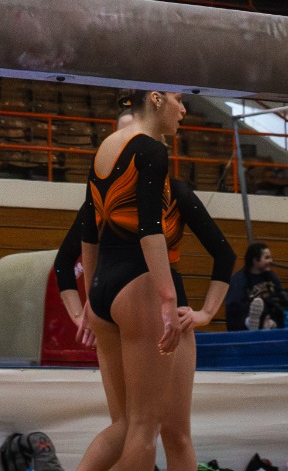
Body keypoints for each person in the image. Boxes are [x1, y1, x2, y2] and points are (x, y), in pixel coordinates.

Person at [55, 123, 235, 471]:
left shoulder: (171, 193)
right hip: (148, 300)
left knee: (143, 429)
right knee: (147, 429)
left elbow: (224, 255)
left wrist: (205, 313)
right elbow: (65, 261)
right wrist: (83, 313)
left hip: (135, 301)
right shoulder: (104, 198)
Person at [73, 88, 185, 471]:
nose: (183, 110)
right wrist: (168, 298)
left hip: (104, 287)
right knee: (144, 427)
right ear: (156, 98)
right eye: (178, 99)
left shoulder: (105, 147)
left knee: (124, 425)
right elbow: (150, 231)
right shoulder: (151, 150)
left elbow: (89, 232)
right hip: (137, 285)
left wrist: (91, 295)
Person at [226, 240, 275, 331]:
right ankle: (252, 323)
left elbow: (280, 297)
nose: (271, 261)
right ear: (255, 260)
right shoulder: (238, 280)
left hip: (269, 322)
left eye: (270, 257)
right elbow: (233, 308)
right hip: (244, 327)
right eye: (267, 258)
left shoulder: (271, 277)